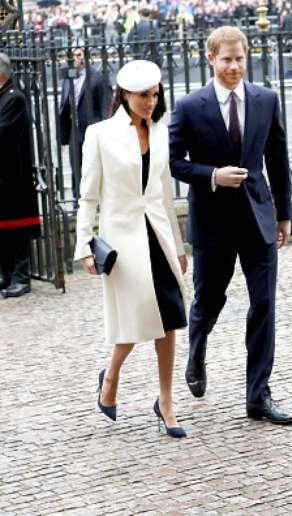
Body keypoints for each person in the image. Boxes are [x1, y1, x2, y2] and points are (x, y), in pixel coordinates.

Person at [169, 26, 292, 425]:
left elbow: (278, 159)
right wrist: (211, 175)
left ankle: (258, 395)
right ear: (210, 59)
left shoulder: (266, 99)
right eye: (226, 59)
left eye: (239, 59)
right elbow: (173, 161)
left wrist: (285, 214)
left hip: (258, 218)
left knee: (264, 306)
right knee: (209, 301)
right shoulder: (190, 106)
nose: (234, 67)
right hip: (212, 221)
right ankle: (197, 349)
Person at [75, 60, 188, 438]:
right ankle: (111, 377)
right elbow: (88, 196)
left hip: (158, 238)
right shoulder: (100, 134)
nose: (151, 103)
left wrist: (179, 244)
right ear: (124, 95)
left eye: (155, 95)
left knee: (169, 319)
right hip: (122, 242)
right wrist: (83, 246)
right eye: (143, 96)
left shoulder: (160, 132)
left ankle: (166, 401)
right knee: (137, 319)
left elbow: (164, 195)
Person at [0, 53, 40, 299]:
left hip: (13, 177)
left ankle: (21, 277)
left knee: (17, 233)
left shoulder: (15, 99)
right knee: (3, 234)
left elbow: (4, 134)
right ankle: (7, 275)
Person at [58, 46, 110, 202]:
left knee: (94, 167)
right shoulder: (68, 78)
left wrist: (105, 134)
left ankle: (98, 200)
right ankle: (77, 200)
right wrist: (62, 137)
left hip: (93, 131)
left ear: (86, 58)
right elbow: (64, 106)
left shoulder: (98, 78)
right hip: (75, 130)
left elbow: (105, 108)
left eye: (78, 55)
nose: (75, 58)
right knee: (76, 167)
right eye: (72, 55)